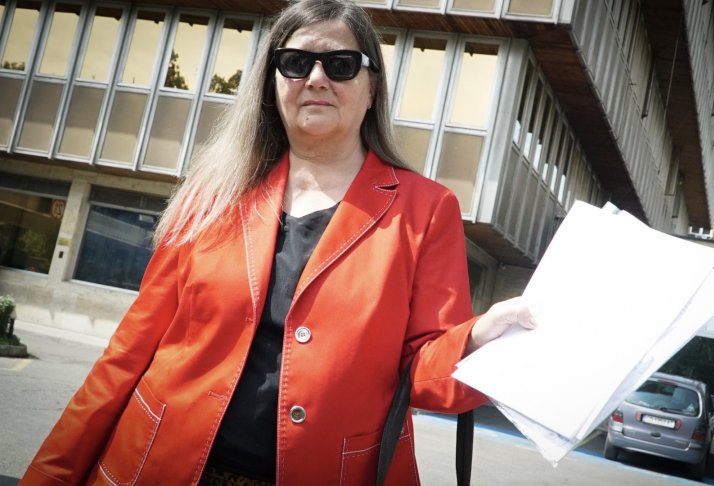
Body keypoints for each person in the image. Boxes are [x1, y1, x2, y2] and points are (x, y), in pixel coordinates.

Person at [21, 0, 535, 484]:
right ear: (272, 83)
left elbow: (426, 375)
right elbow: (128, 354)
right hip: (160, 466)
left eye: (341, 65)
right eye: (296, 62)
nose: (316, 78)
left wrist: (476, 340)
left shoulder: (426, 209)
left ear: (372, 88)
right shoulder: (214, 192)